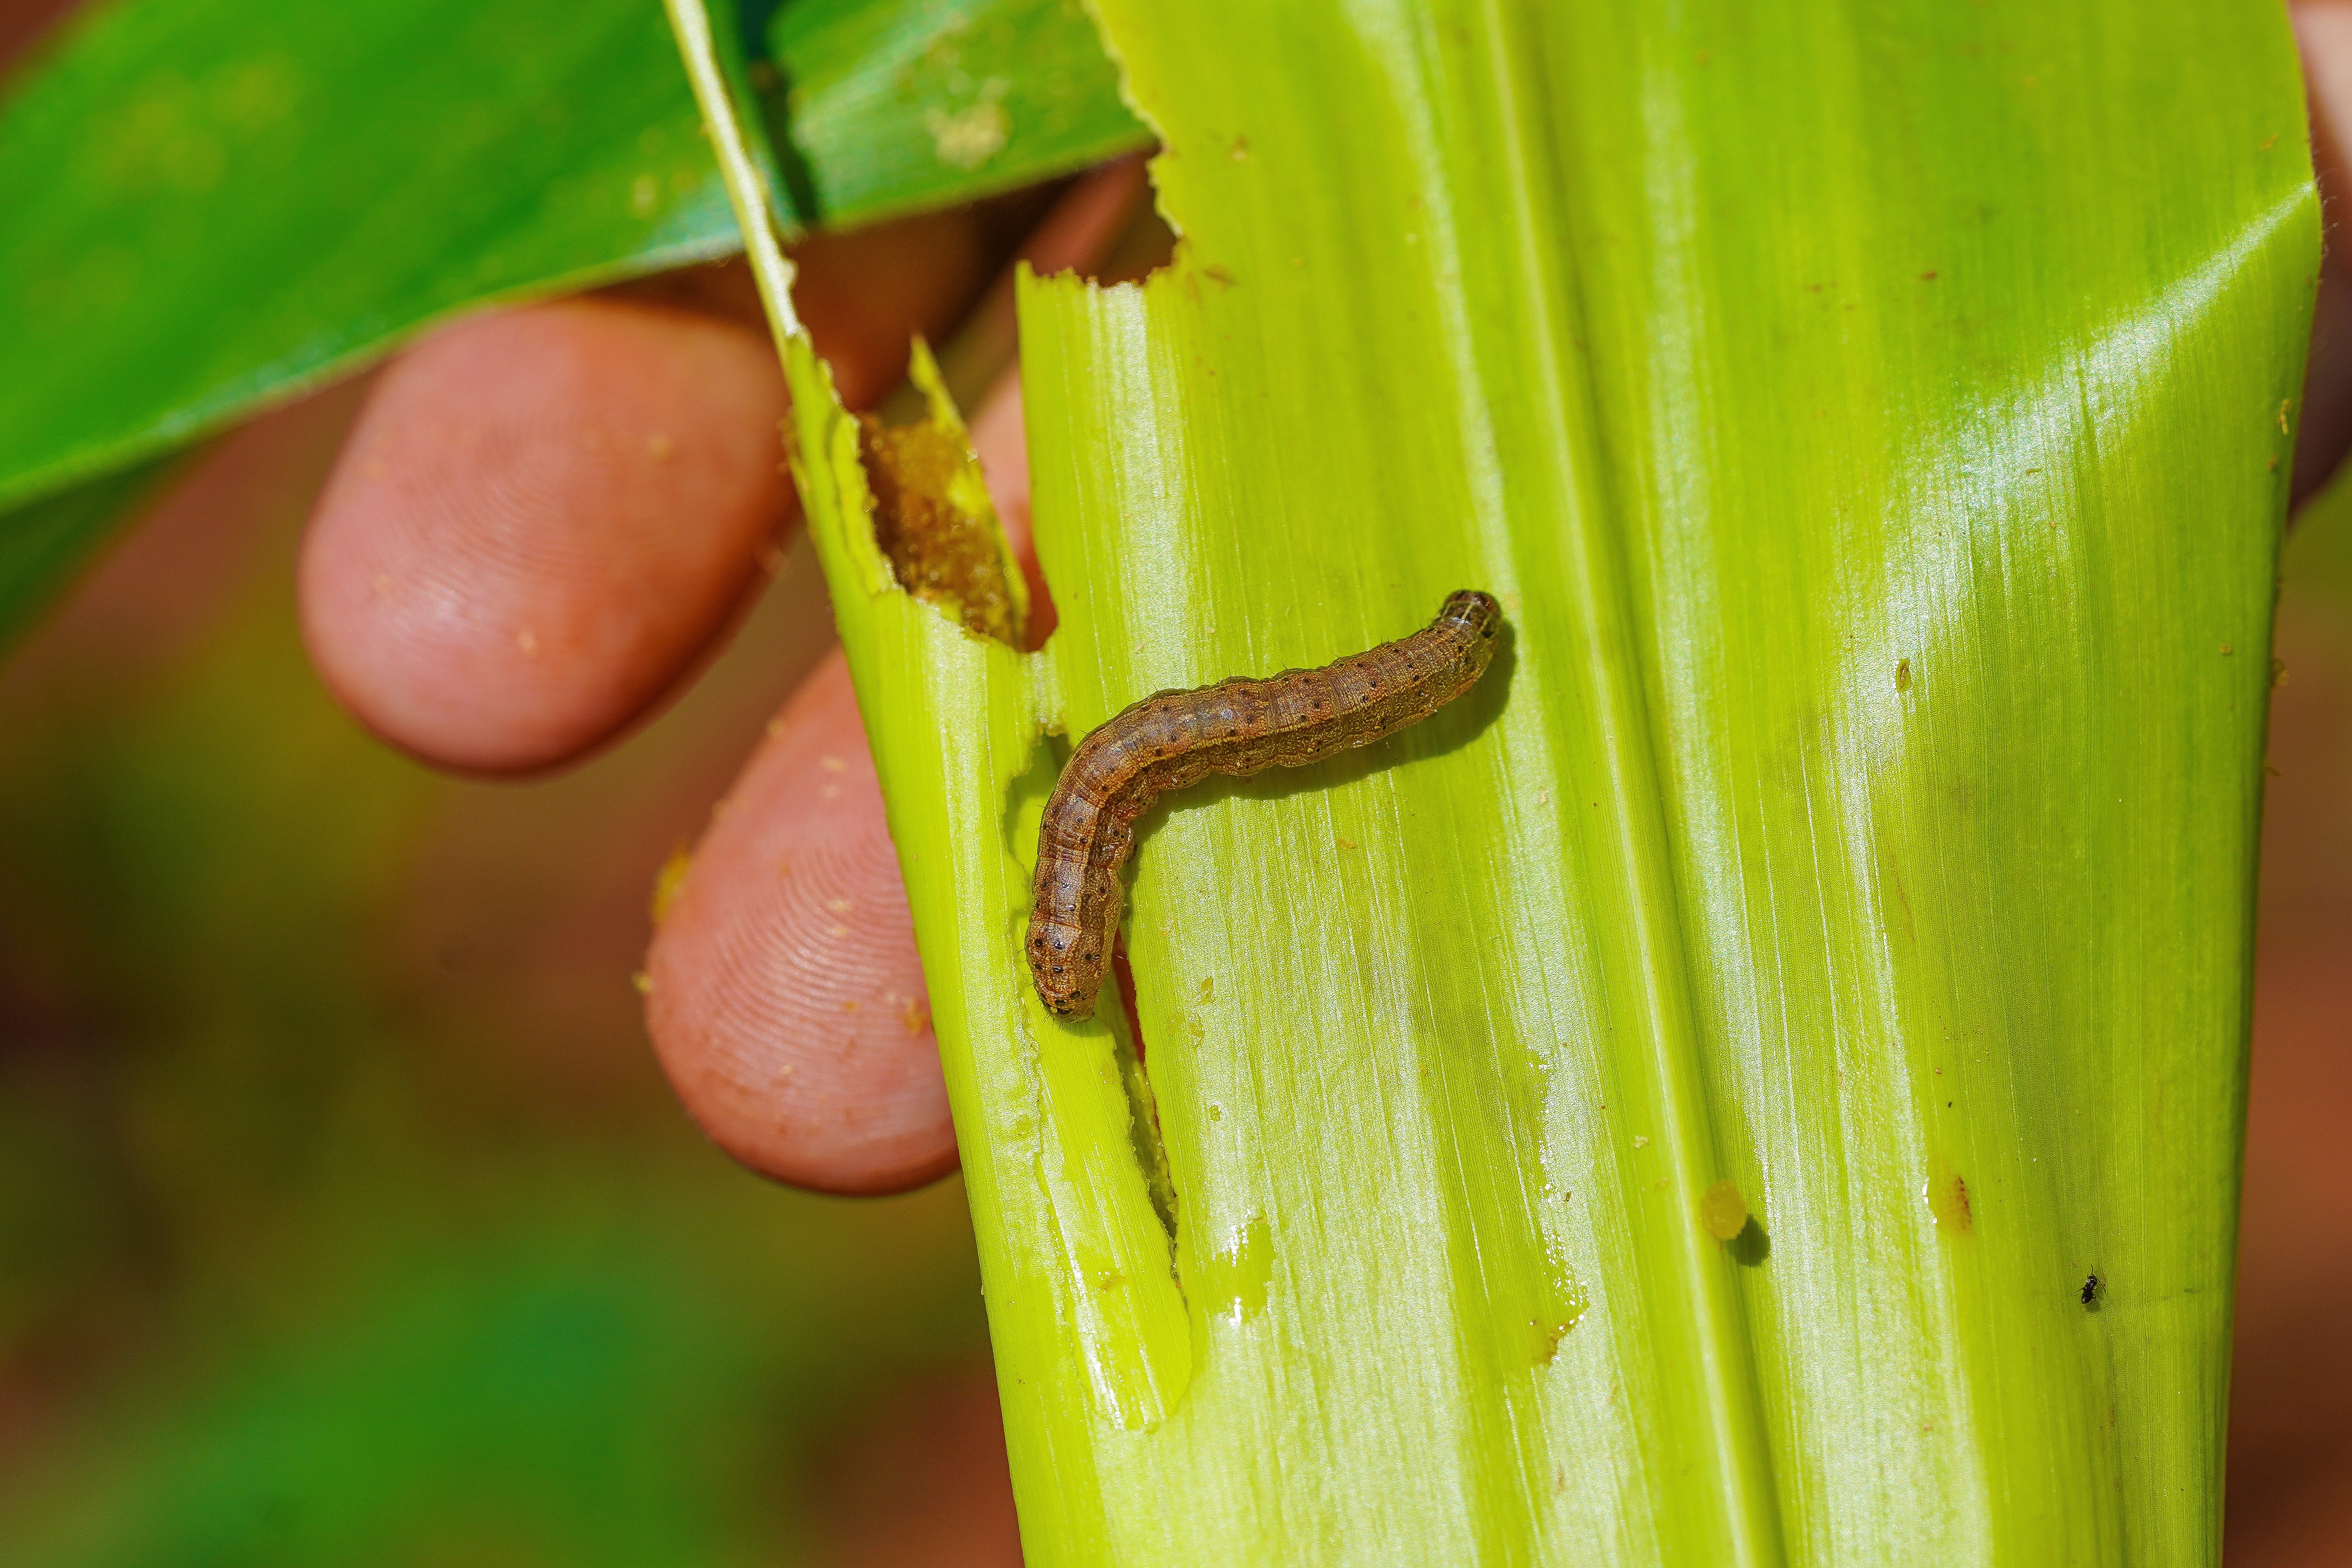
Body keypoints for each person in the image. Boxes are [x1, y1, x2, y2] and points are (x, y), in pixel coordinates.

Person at [292, 12, 2352, 1202]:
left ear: (1072, 913)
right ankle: (1443, 655)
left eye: (1068, 941)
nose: (1073, 936)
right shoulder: (1114, 792)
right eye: (1071, 940)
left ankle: (1448, 655)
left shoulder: (1144, 781)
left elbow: (1145, 762)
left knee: (1183, 748)